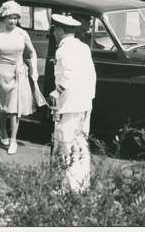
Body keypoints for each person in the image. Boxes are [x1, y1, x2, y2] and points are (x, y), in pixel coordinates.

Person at [48, 13, 96, 192]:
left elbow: (68, 74)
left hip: (70, 105)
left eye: (55, 30)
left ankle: (68, 188)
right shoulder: (83, 47)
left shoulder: (63, 50)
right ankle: (81, 184)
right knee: (81, 144)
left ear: (60, 30)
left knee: (66, 145)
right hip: (84, 103)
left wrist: (57, 91)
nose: (53, 34)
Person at [0, 0, 38, 155]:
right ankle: (2, 130)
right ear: (4, 17)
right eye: (9, 17)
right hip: (1, 72)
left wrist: (34, 69)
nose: (12, 21)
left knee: (14, 109)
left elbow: (33, 52)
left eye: (15, 18)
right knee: (2, 107)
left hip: (18, 73)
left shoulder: (22, 33)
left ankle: (13, 140)